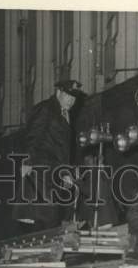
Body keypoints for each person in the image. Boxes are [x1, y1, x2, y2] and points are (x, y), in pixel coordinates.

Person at [12, 79, 84, 229]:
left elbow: (62, 150)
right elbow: (33, 136)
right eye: (69, 96)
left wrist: (65, 173)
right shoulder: (46, 109)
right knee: (45, 215)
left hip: (53, 171)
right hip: (41, 169)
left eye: (74, 98)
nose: (71, 101)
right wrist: (27, 162)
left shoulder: (64, 114)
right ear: (58, 92)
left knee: (50, 215)